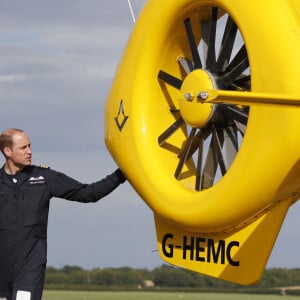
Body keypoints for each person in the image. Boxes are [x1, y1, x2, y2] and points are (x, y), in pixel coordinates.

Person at [0, 128, 126, 300]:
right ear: (7, 151)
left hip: (29, 269)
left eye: (30, 146)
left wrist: (122, 173)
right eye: (23, 148)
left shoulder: (45, 178)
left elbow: (88, 193)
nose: (29, 151)